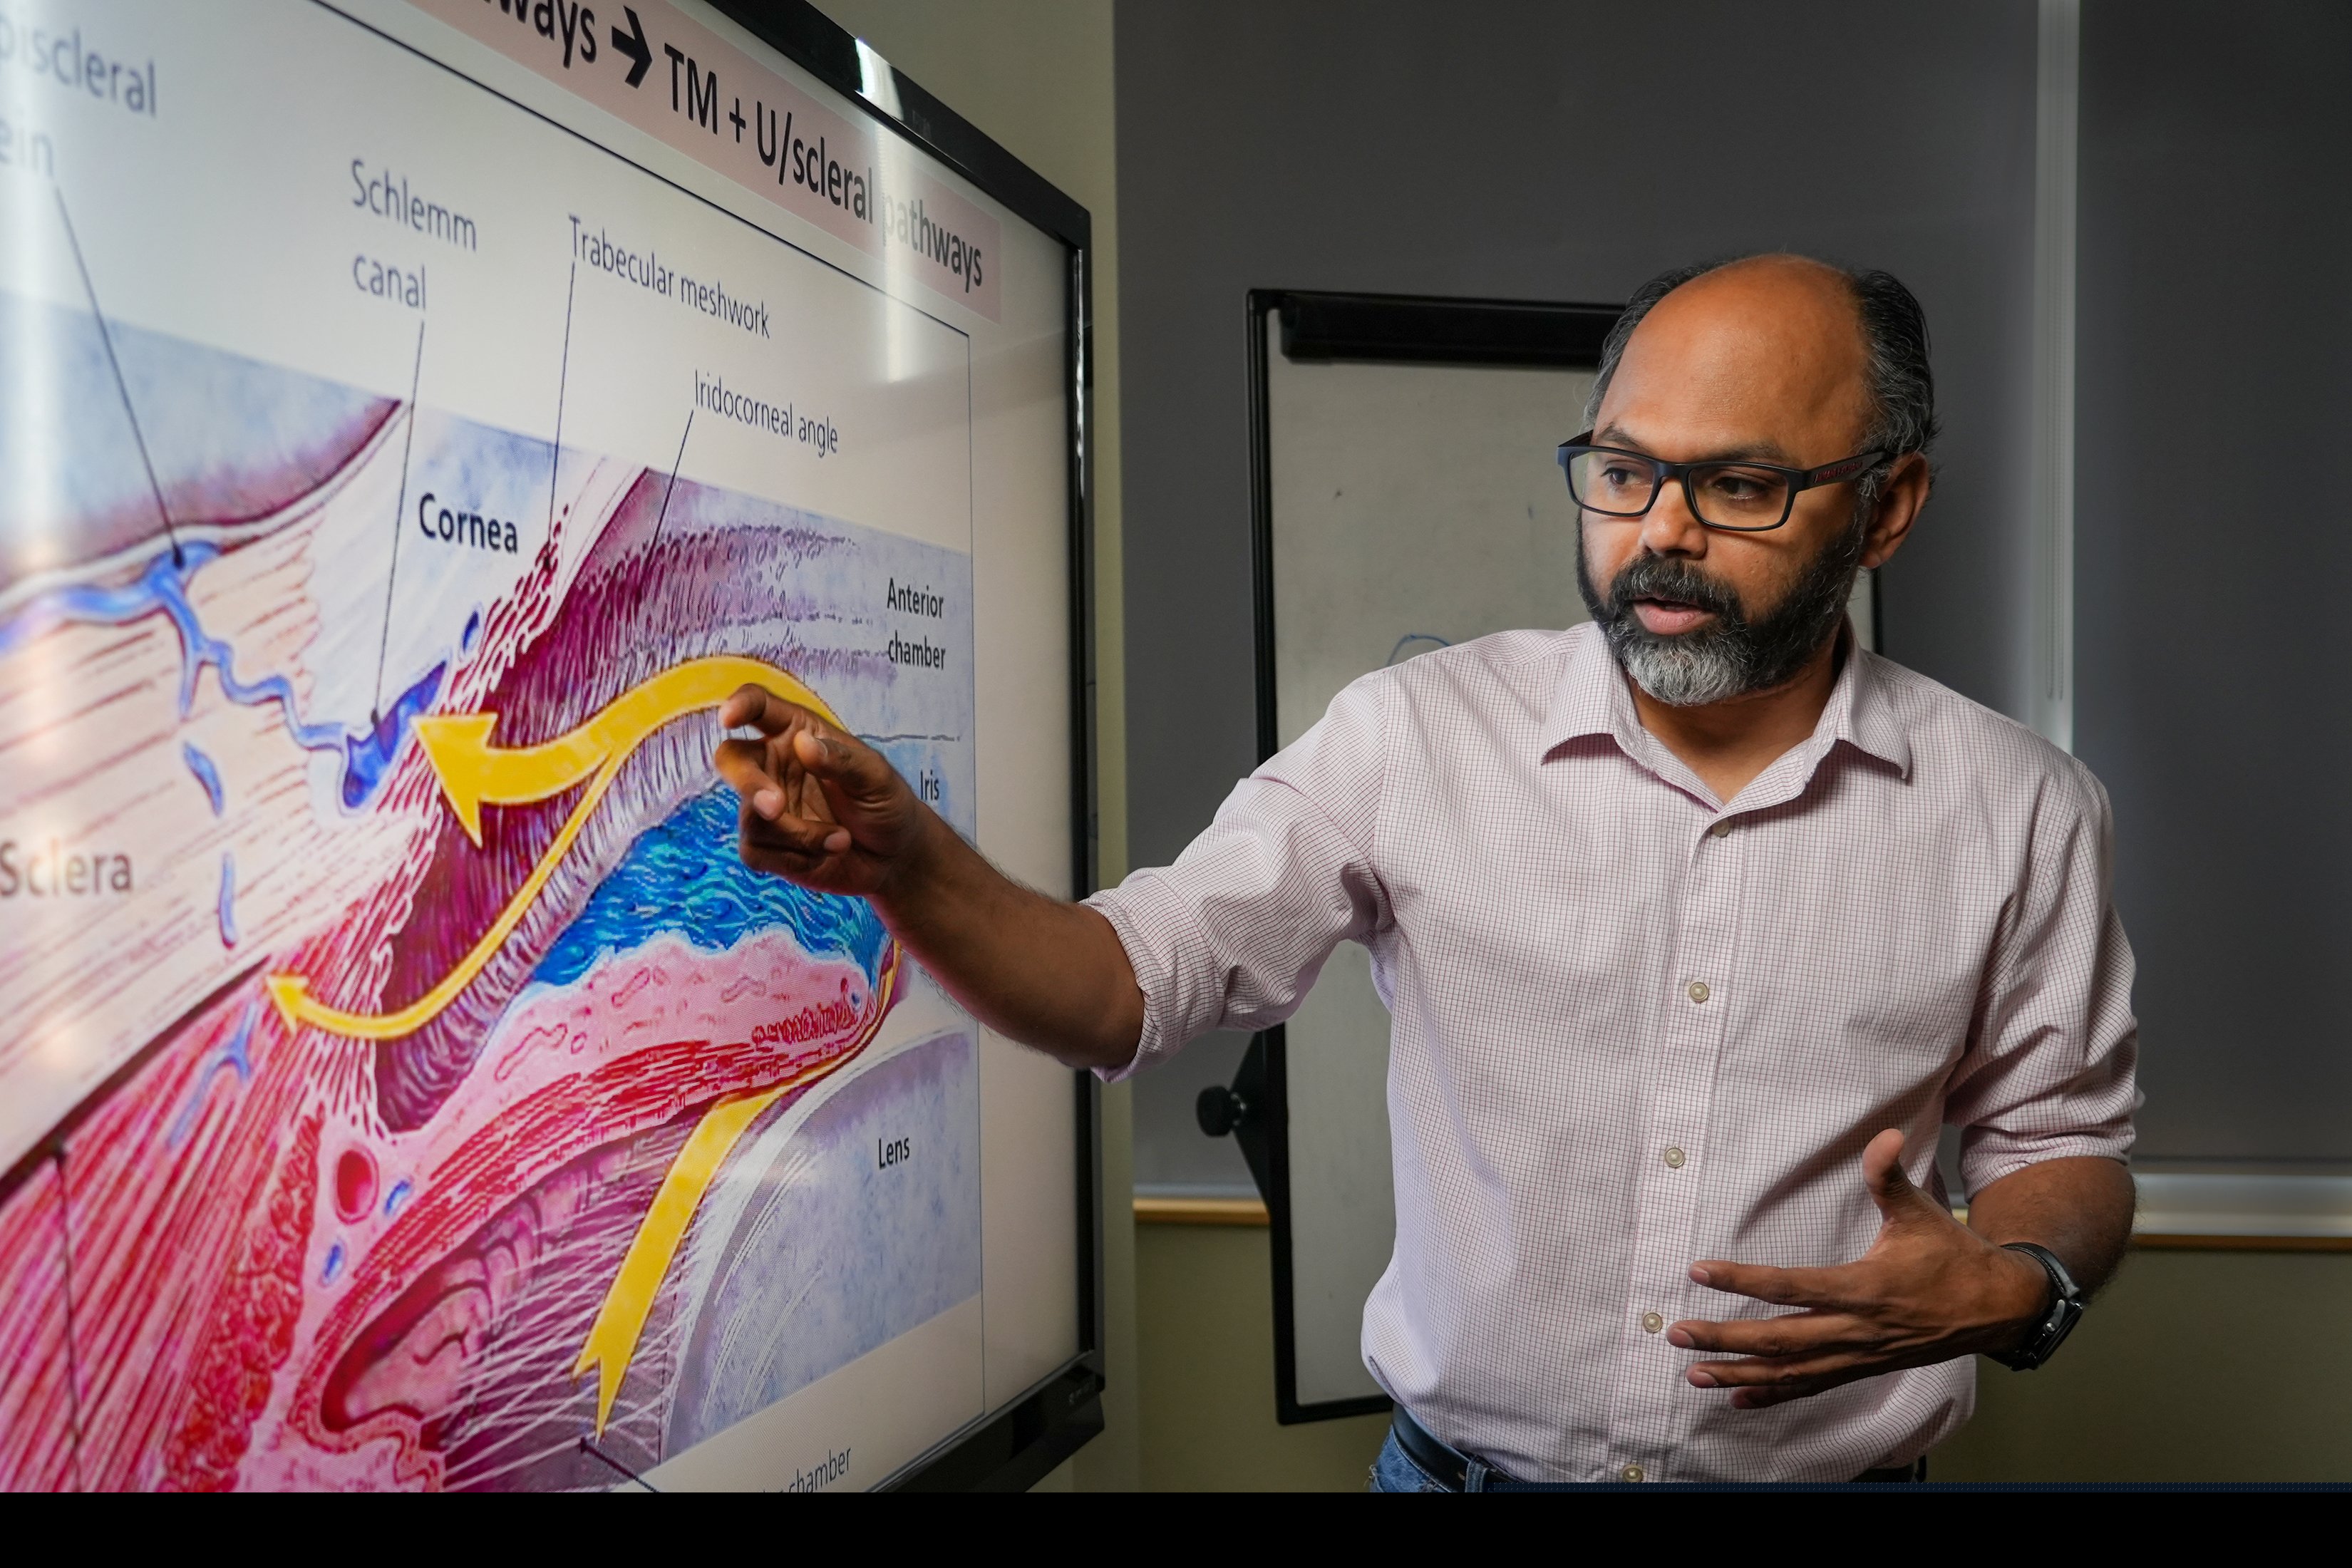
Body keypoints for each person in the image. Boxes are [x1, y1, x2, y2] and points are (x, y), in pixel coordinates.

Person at [712, 254, 2139, 1487]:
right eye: (1626, 469)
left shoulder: (2021, 810)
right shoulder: (1414, 734)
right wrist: (905, 860)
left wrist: (2016, 1280)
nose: (1661, 533)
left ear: (1887, 508)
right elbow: (1119, 984)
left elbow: (2065, 1150)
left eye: (1742, 484)